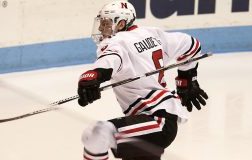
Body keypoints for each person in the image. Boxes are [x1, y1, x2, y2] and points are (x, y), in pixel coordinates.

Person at [77, 1, 208, 160]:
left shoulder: (116, 43)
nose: (100, 29)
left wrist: (91, 77)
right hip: (154, 119)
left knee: (97, 134)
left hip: (157, 120)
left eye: (105, 24)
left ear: (121, 24)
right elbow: (192, 45)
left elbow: (109, 62)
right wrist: (187, 80)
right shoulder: (154, 34)